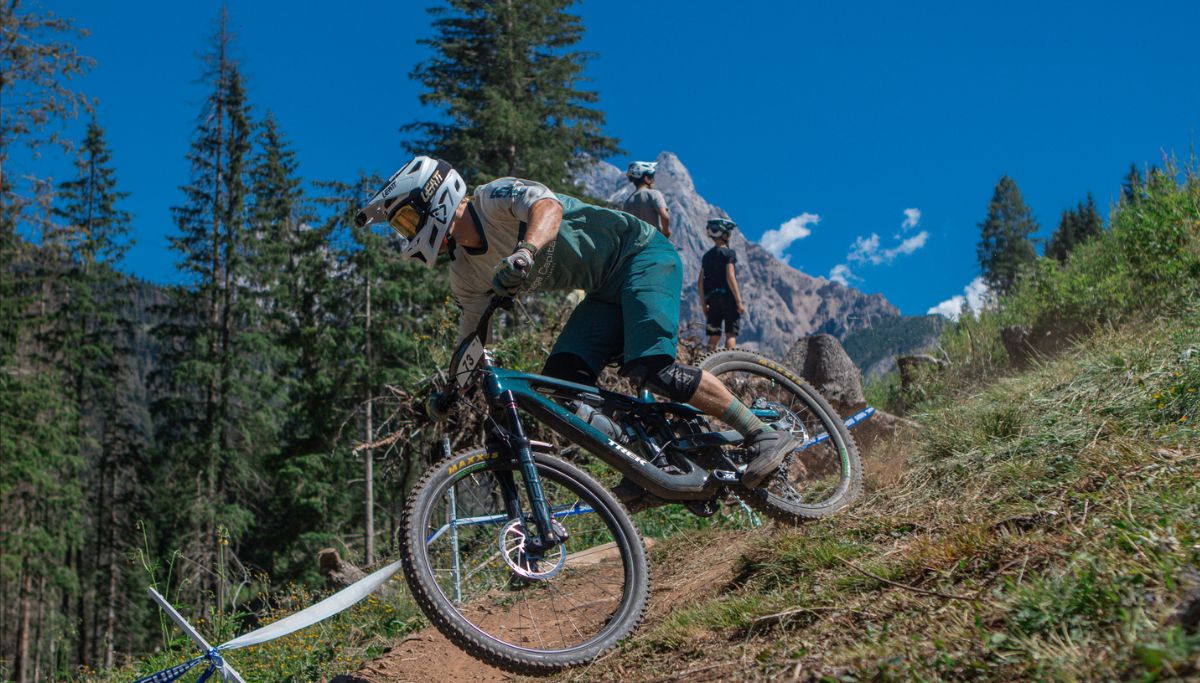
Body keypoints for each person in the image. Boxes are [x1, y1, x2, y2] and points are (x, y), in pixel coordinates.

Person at [355, 156, 798, 494]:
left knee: (651, 368)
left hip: (641, 255)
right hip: (603, 290)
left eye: (408, 219)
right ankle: (650, 466)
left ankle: (760, 433)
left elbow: (546, 205)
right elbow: (471, 334)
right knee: (562, 389)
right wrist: (453, 387)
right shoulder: (464, 273)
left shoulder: (492, 198)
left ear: (437, 195)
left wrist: (526, 250)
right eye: (401, 226)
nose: (407, 233)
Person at [699, 218, 746, 351]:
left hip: (712, 300)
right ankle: (729, 371)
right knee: (730, 334)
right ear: (725, 235)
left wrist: (704, 304)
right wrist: (739, 301)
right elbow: (730, 276)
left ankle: (709, 367)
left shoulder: (706, 256)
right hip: (728, 298)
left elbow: (700, 282)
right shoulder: (729, 253)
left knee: (714, 335)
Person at [621, 161, 670, 238]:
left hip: (635, 244)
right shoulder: (654, 193)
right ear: (646, 178)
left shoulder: (627, 202)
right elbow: (665, 216)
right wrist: (666, 233)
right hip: (653, 241)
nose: (653, 180)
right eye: (651, 177)